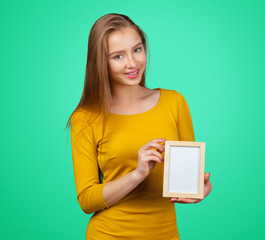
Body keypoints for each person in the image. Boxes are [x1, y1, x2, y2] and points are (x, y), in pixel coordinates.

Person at [66, 13, 212, 239]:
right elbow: (86, 200)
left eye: (137, 49)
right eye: (117, 56)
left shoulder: (174, 103)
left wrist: (197, 190)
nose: (132, 63)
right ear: (100, 62)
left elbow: (188, 176)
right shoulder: (85, 118)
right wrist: (137, 174)